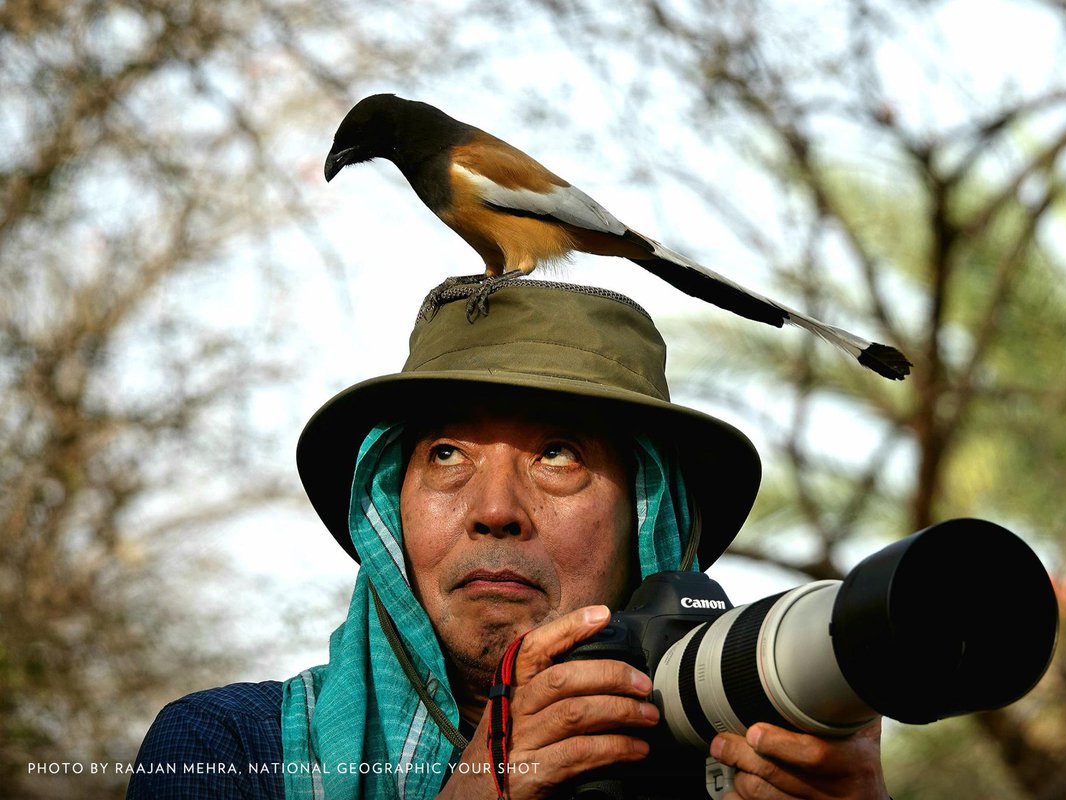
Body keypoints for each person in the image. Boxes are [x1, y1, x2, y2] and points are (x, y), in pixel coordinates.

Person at [127, 279, 890, 799]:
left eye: (559, 455)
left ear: (649, 518)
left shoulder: (734, 763)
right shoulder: (235, 750)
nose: (495, 509)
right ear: (390, 510)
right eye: (447, 455)